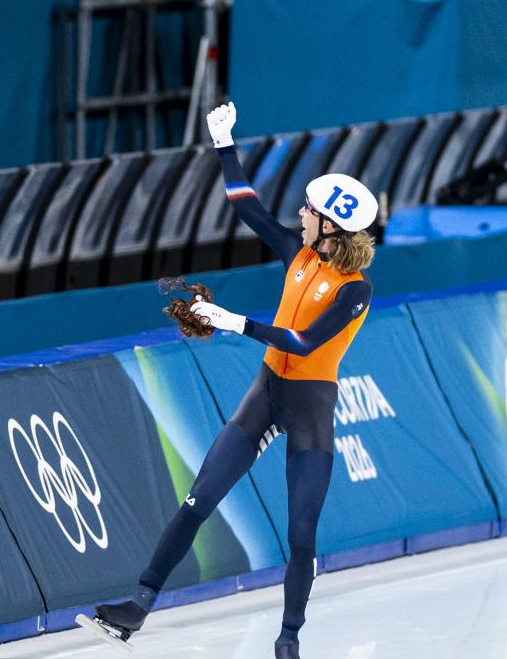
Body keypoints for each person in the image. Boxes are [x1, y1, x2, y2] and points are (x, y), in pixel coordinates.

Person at [79, 101, 378, 659]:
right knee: (198, 499)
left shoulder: (354, 290)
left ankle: (288, 640)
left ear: (331, 224)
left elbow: (303, 342)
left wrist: (233, 321)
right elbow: (249, 210)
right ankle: (136, 608)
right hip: (266, 394)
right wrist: (224, 144)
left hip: (311, 405)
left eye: (309, 210)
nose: (300, 214)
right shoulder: (300, 255)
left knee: (302, 537)